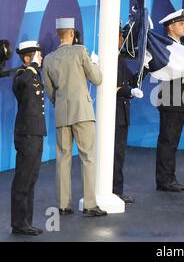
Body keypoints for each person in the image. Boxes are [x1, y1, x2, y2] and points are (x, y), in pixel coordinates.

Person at [43, 17, 106, 217]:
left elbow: (49, 90)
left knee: (63, 158)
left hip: (62, 112)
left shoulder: (49, 59)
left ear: (58, 35)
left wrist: (59, 103)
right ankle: (89, 204)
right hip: (83, 113)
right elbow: (97, 79)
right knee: (88, 157)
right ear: (72, 34)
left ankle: (63, 204)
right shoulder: (81, 52)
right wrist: (94, 63)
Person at [11, 41, 46, 235]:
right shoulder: (22, 75)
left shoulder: (34, 74)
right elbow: (21, 84)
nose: (40, 58)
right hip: (26, 134)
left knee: (31, 178)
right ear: (27, 57)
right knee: (23, 179)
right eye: (37, 55)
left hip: (36, 132)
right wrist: (31, 65)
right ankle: (18, 223)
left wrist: (34, 67)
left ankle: (26, 221)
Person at [155, 9, 184, 192]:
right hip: (171, 98)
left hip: (180, 98)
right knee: (168, 141)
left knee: (172, 141)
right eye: (181, 23)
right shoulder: (167, 47)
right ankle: (164, 180)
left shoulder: (181, 47)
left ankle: (169, 177)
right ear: (171, 27)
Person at [113, 28, 144, 203]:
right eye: (119, 36)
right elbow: (113, 86)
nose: (123, 38)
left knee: (119, 154)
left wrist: (144, 69)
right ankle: (114, 191)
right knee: (115, 155)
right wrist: (128, 90)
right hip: (115, 113)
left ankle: (117, 190)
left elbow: (130, 81)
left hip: (122, 112)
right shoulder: (111, 60)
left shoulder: (120, 59)